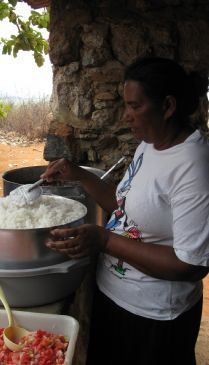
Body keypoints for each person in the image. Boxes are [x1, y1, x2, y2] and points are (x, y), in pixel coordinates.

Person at [41, 57, 209, 365]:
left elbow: (191, 265)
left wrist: (104, 241)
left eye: (135, 106)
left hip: (154, 318)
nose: (126, 116)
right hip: (114, 296)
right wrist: (78, 174)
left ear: (168, 106)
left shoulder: (193, 165)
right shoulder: (151, 144)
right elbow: (126, 207)